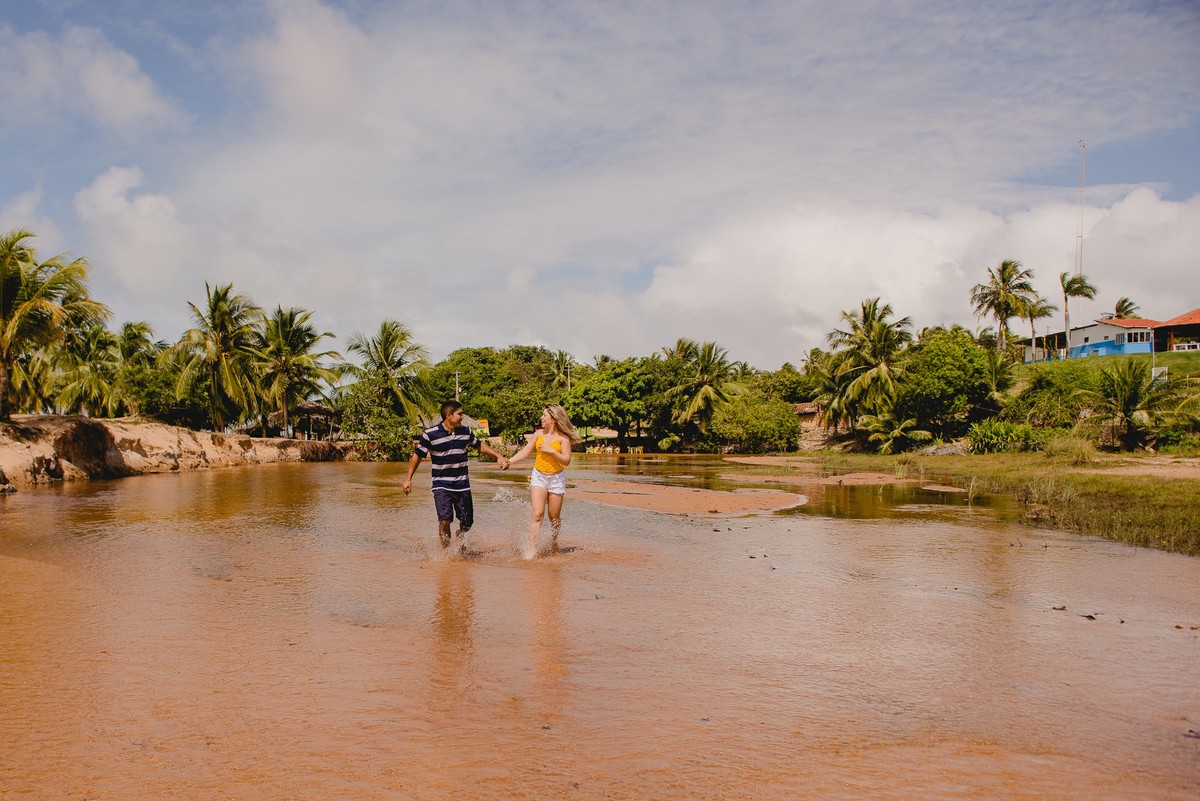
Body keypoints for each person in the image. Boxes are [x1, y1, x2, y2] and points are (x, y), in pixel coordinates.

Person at [403, 400, 509, 550]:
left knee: (467, 522)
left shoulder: (465, 431)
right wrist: (408, 479)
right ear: (449, 415)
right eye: (459, 414)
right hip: (441, 484)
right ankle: (446, 554)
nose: (462, 416)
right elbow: (418, 455)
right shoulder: (430, 434)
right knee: (445, 520)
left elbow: (479, 446)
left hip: (462, 485)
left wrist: (498, 456)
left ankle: (461, 538)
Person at [504, 404, 583, 557]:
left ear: (553, 419)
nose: (541, 418)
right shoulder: (538, 434)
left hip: (556, 479)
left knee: (554, 517)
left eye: (544, 415)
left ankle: (554, 543)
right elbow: (526, 451)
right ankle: (532, 550)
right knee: (537, 514)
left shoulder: (563, 439)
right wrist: (509, 461)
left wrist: (552, 451)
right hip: (539, 476)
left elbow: (566, 461)